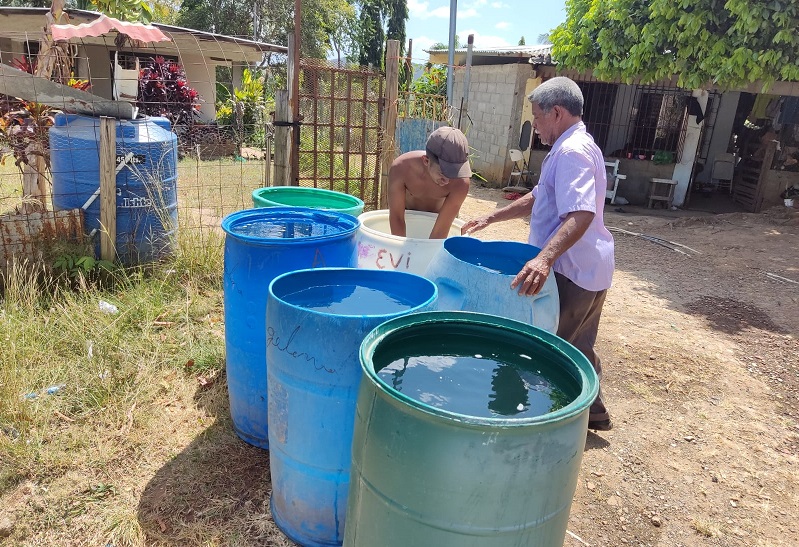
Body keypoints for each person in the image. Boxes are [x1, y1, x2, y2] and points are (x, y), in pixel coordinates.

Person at [461, 76, 615, 431]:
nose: (535, 127)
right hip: (590, 267)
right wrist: (492, 215)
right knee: (579, 343)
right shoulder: (570, 147)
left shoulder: (572, 152)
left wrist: (544, 259)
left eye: (538, 118)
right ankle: (593, 412)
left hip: (571, 271)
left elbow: (580, 214)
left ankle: (553, 426)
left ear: (557, 112)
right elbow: (539, 196)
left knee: (553, 350)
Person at [388, 126, 471, 239]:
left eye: (454, 173)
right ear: (426, 161)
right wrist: (403, 253)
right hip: (408, 220)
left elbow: (441, 229)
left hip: (436, 222)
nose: (447, 181)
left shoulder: (461, 183)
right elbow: (396, 217)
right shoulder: (401, 169)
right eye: (443, 173)